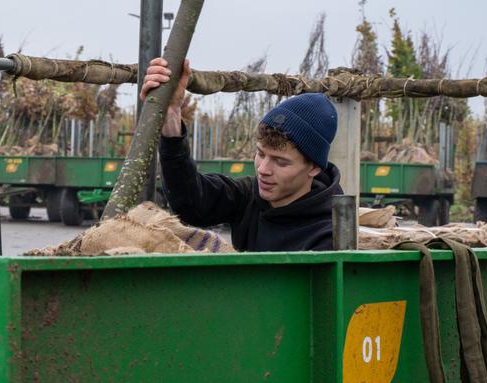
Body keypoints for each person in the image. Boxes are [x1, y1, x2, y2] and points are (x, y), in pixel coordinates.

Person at [140, 57, 342, 251]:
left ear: (314, 167)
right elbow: (190, 201)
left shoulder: (328, 234)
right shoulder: (248, 197)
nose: (263, 170)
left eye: (281, 162)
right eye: (261, 154)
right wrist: (171, 115)